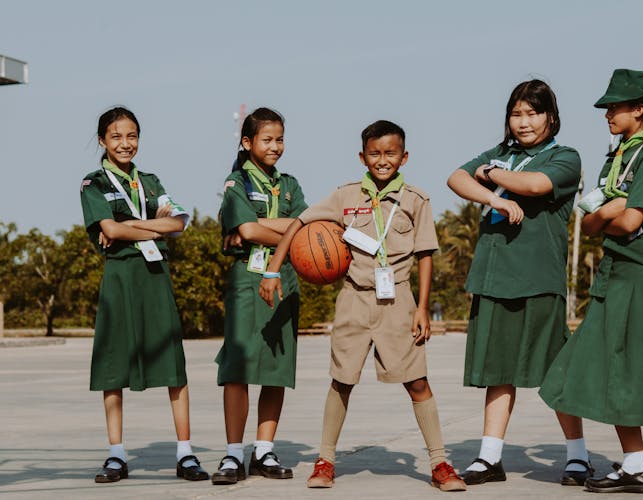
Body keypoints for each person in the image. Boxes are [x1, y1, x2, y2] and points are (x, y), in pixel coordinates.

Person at [259, 120, 467, 492]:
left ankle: (439, 462)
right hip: (354, 298)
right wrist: (273, 271)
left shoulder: (417, 200)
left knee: (417, 381)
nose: (382, 160)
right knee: (342, 381)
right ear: (362, 156)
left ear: (404, 157)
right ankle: (325, 461)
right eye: (375, 153)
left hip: (398, 300)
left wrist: (422, 308)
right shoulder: (345, 196)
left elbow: (425, 256)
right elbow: (299, 224)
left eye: (390, 153)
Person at [539, 69, 643, 494]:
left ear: (640, 109)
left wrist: (608, 215)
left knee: (633, 370)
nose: (607, 113)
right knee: (599, 368)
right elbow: (600, 218)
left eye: (615, 106)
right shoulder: (615, 157)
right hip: (615, 274)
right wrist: (608, 212)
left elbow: (631, 220)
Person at [446, 80, 589, 486]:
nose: (523, 122)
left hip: (538, 279)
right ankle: (490, 457)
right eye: (516, 113)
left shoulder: (563, 156)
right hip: (493, 278)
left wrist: (490, 174)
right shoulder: (504, 153)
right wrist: (493, 198)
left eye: (533, 113)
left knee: (555, 372)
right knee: (497, 372)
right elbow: (456, 178)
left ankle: (577, 456)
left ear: (551, 116)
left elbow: (536, 185)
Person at [80, 106, 208, 483]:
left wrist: (129, 225)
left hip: (156, 276)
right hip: (119, 278)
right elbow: (109, 231)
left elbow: (180, 223)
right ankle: (116, 455)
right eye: (116, 136)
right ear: (102, 141)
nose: (125, 143)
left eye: (132, 135)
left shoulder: (150, 181)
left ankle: (185, 453)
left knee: (173, 364)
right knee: (113, 366)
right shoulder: (93, 183)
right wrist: (153, 228)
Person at [211, 107, 308, 485]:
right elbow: (250, 231)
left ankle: (263, 450)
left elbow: (307, 227)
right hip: (246, 282)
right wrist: (280, 228)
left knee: (275, 369)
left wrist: (259, 225)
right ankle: (234, 453)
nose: (275, 146)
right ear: (247, 142)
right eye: (267, 139)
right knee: (237, 369)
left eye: (279, 139)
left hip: (284, 279)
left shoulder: (291, 185)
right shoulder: (236, 182)